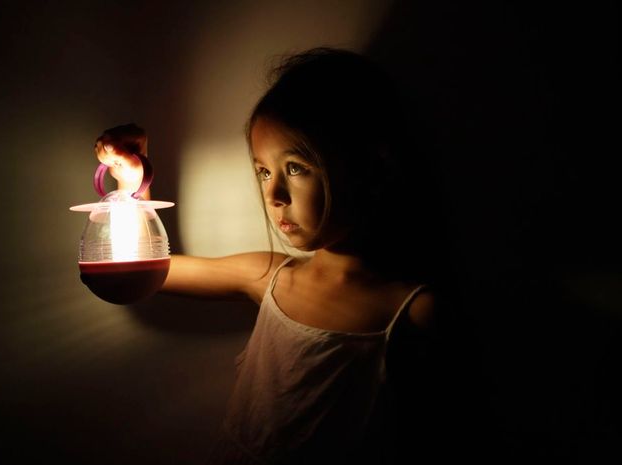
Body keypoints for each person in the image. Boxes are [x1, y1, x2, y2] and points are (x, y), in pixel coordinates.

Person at [94, 48, 446, 464]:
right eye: (263, 171)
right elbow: (140, 273)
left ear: (369, 166)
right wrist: (133, 181)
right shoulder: (269, 275)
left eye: (295, 168)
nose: (273, 195)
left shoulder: (413, 312)